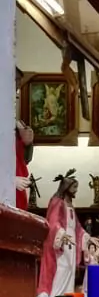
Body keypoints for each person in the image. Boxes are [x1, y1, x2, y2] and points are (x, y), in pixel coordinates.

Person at [37, 171, 99, 297]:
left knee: (70, 271)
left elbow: (77, 227)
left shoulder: (70, 205)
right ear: (66, 187)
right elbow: (53, 221)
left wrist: (88, 238)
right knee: (61, 269)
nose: (76, 190)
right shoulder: (57, 202)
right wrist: (61, 233)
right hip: (61, 243)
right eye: (74, 187)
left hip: (72, 243)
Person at [14, 68, 34, 210]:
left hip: (17, 185)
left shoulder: (16, 123)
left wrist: (28, 143)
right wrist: (7, 181)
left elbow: (24, 159)